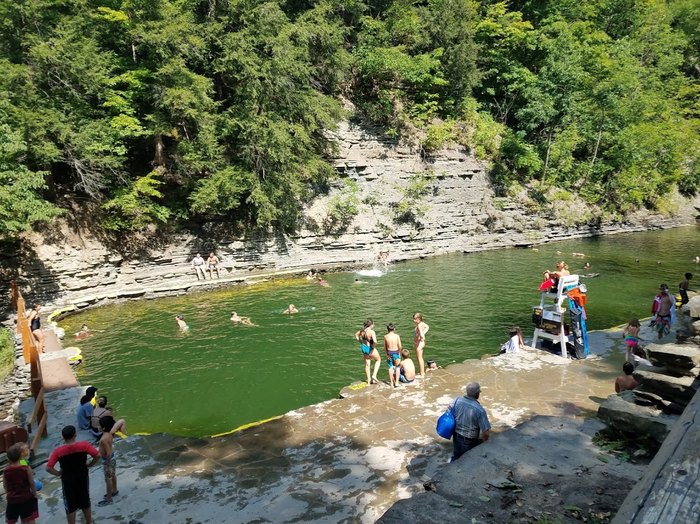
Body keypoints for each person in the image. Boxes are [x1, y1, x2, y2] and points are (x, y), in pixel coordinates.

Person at [46, 425, 100, 524]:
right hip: (82, 477)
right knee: (85, 499)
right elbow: (97, 455)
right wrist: (90, 464)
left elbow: (48, 467)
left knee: (70, 504)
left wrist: (58, 473)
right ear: (75, 435)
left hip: (67, 480)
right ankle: (89, 522)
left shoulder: (58, 451)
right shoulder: (84, 446)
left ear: (62, 437)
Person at [449, 382, 491, 462]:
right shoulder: (479, 410)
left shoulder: (456, 401)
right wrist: (485, 444)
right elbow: (486, 433)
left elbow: (449, 414)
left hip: (456, 435)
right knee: (467, 461)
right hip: (469, 440)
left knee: (456, 457)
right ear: (477, 394)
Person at [3, 443, 38, 524]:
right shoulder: (26, 468)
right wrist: (34, 494)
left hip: (12, 500)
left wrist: (8, 494)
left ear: (8, 458)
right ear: (20, 456)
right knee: (29, 519)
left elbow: (5, 485)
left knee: (10, 521)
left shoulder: (6, 471)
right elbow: (32, 483)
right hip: (26, 498)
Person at [97, 416, 118, 506]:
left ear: (104, 428)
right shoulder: (110, 434)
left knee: (108, 479)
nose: (98, 427)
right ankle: (115, 490)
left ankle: (109, 499)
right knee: (113, 475)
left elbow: (108, 452)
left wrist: (107, 464)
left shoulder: (102, 440)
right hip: (113, 458)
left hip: (107, 460)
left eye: (99, 425)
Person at [354, 319, 380, 385]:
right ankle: (374, 375)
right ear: (371, 325)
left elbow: (356, 335)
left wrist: (360, 341)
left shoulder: (361, 331)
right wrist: (373, 347)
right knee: (378, 360)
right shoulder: (371, 332)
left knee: (367, 364)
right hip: (370, 348)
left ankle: (369, 380)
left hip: (364, 348)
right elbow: (375, 341)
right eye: (373, 324)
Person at [383, 323, 402, 388]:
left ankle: (391, 383)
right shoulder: (397, 336)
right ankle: (396, 383)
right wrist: (399, 352)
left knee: (390, 368)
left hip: (389, 353)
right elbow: (400, 346)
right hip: (396, 352)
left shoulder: (385, 336)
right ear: (394, 329)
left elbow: (385, 347)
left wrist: (387, 354)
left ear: (387, 329)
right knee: (398, 367)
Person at [412, 313, 429, 378]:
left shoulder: (419, 325)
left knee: (419, 358)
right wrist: (424, 332)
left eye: (415, 319)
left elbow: (422, 335)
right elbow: (427, 327)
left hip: (419, 344)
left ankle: (422, 374)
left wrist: (422, 337)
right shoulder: (422, 323)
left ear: (418, 319)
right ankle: (422, 372)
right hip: (420, 343)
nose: (413, 320)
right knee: (420, 358)